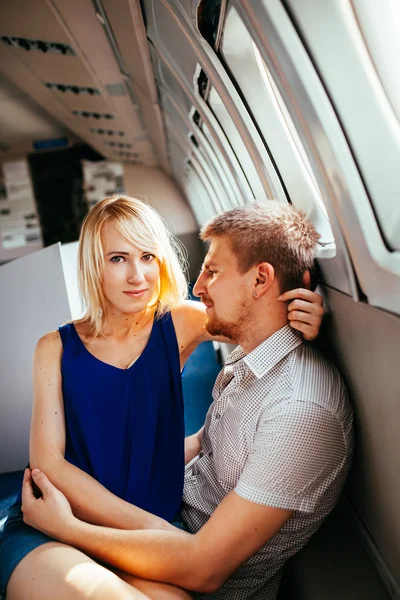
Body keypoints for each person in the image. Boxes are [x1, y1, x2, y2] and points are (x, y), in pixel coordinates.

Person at [11, 201, 352, 600]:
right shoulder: (53, 347)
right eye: (118, 258)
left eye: (148, 257)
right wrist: (151, 528)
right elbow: (49, 462)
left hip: (153, 531)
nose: (137, 276)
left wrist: (307, 314)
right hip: (70, 515)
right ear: (92, 266)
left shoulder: (183, 321)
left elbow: (256, 321)